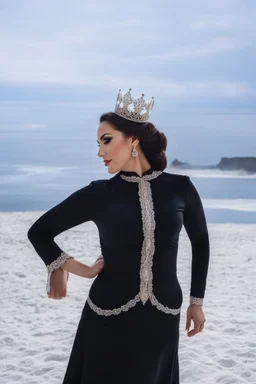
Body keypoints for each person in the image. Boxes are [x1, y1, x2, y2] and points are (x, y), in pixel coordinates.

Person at [27, 88, 209, 384]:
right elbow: (40, 232)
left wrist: (197, 301)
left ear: (133, 140)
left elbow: (200, 242)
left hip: (163, 313)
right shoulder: (100, 193)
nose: (100, 151)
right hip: (107, 313)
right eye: (98, 144)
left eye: (106, 141)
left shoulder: (181, 188)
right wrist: (73, 268)